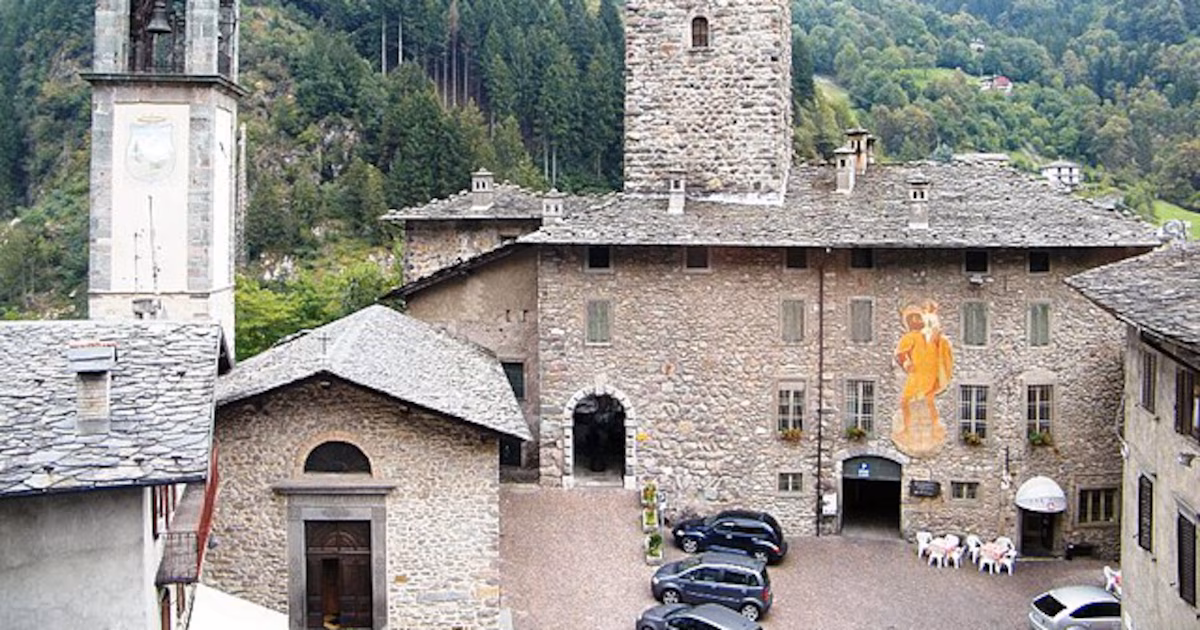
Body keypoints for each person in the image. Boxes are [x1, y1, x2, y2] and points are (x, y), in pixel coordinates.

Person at [894, 301, 954, 436]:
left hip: (929, 371)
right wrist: (906, 363)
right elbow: (901, 353)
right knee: (906, 400)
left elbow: (940, 342)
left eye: (918, 317)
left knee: (927, 398)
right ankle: (909, 428)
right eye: (912, 318)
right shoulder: (909, 337)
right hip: (916, 372)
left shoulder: (929, 335)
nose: (915, 320)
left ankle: (933, 427)